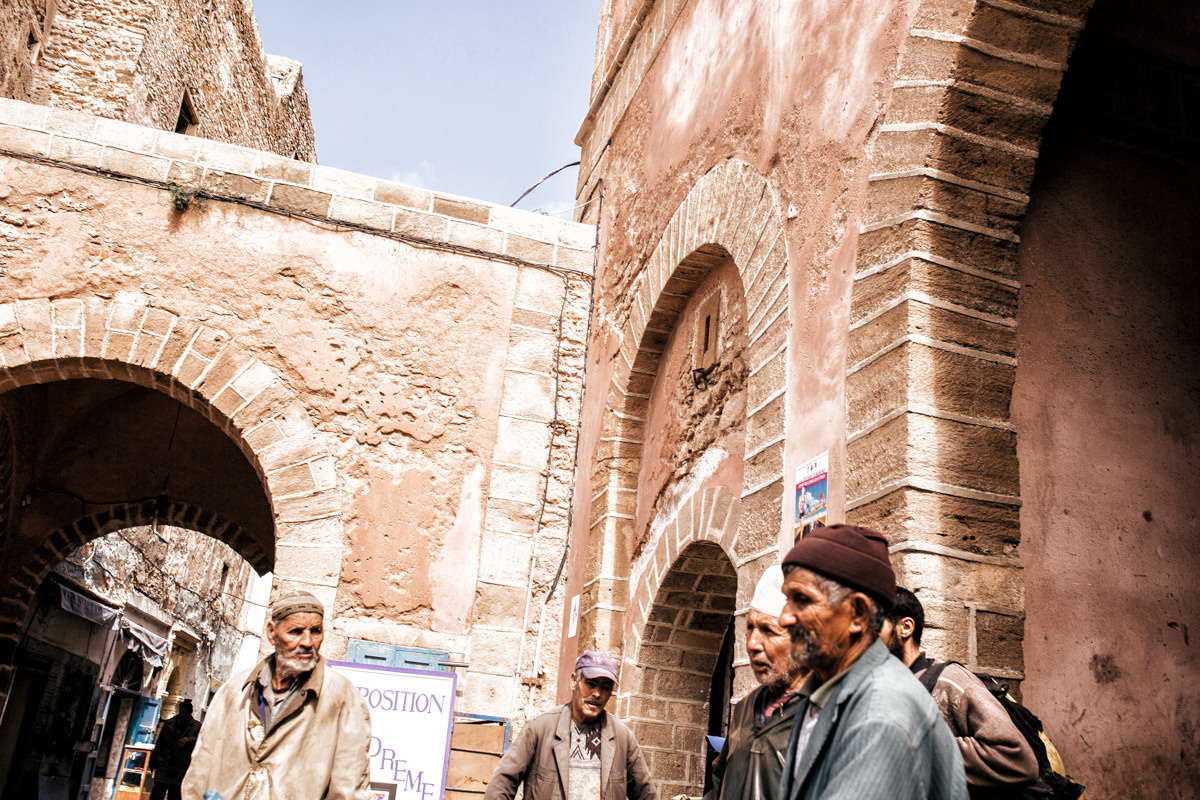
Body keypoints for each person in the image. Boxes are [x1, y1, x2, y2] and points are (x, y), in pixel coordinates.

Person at [775, 523, 968, 800]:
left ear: (858, 614)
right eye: (787, 599)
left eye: (802, 600)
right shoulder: (822, 691)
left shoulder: (882, 710)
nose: (784, 618)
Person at [181, 591, 371, 800]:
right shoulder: (235, 691)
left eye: (316, 631)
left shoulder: (342, 698)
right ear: (272, 632)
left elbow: (349, 791)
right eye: (296, 631)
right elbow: (200, 770)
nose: (308, 642)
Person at [881, 587, 1039, 798]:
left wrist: (917, 747)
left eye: (872, 626)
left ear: (906, 627)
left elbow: (1017, 759)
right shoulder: (882, 688)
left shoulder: (950, 681)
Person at [483, 650, 657, 800]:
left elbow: (646, 794)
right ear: (574, 682)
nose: (597, 694)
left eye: (605, 687)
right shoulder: (540, 728)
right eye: (591, 684)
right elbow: (501, 786)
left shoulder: (623, 738)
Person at [707, 566, 807, 800]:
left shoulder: (825, 714)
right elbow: (721, 788)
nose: (753, 643)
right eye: (750, 628)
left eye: (768, 630)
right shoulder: (744, 710)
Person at [149, 699, 201, 800]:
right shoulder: (169, 724)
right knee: (157, 794)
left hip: (180, 769)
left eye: (185, 713)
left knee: (175, 795)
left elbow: (202, 742)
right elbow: (159, 744)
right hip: (164, 766)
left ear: (189, 713)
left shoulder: (196, 727)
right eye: (181, 712)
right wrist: (153, 763)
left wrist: (188, 740)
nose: (182, 715)